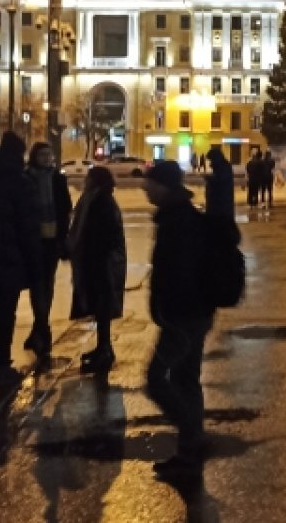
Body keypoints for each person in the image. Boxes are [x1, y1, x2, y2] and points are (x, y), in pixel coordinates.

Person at [143, 161, 214, 478]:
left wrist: (168, 312)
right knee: (186, 379)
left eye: (150, 183)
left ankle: (192, 436)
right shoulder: (181, 215)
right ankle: (189, 454)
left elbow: (179, 273)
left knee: (157, 379)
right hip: (193, 313)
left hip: (182, 316)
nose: (145, 188)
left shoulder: (177, 220)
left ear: (165, 186)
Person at [0, 131, 39, 391]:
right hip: (10, 257)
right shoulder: (20, 183)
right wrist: (35, 266)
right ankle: (3, 368)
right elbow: (27, 226)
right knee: (6, 311)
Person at [68, 166, 127, 375]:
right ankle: (103, 348)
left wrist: (87, 254)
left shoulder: (101, 201)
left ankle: (105, 351)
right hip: (98, 260)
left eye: (89, 178)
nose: (85, 180)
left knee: (102, 306)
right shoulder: (96, 198)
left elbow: (102, 234)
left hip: (102, 262)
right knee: (99, 305)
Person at [24, 142, 73, 358]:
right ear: (34, 157)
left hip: (53, 239)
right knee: (37, 284)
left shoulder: (58, 178)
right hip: (34, 239)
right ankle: (43, 328)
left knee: (47, 283)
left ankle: (39, 327)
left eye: (49, 154)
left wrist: (63, 237)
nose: (46, 158)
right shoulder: (27, 178)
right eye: (42, 155)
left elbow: (66, 208)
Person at [204, 145, 235, 220]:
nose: (210, 163)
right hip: (219, 204)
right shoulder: (221, 167)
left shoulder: (223, 167)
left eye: (211, 160)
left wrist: (209, 178)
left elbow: (220, 181)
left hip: (221, 205)